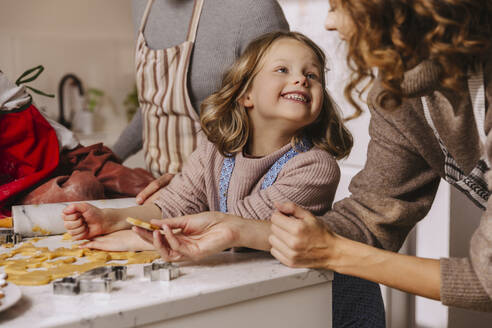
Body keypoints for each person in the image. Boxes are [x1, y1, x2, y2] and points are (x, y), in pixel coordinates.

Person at [64, 31, 386, 326]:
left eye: (311, 74)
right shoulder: (214, 152)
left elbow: (240, 225)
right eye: (282, 70)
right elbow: (173, 204)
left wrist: (134, 241)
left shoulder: (315, 166)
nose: (301, 80)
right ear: (247, 95)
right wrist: (113, 219)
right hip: (266, 297)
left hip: (332, 305)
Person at [267, 0, 492, 312]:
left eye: (337, 6)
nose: (329, 24)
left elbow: (486, 281)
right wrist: (238, 230)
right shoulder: (400, 95)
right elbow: (370, 218)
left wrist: (334, 252)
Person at [112, 0, 289, 204]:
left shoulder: (253, 9)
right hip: (157, 195)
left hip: (230, 201)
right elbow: (156, 105)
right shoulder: (143, 5)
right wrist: (104, 160)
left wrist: (191, 185)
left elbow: (280, 127)